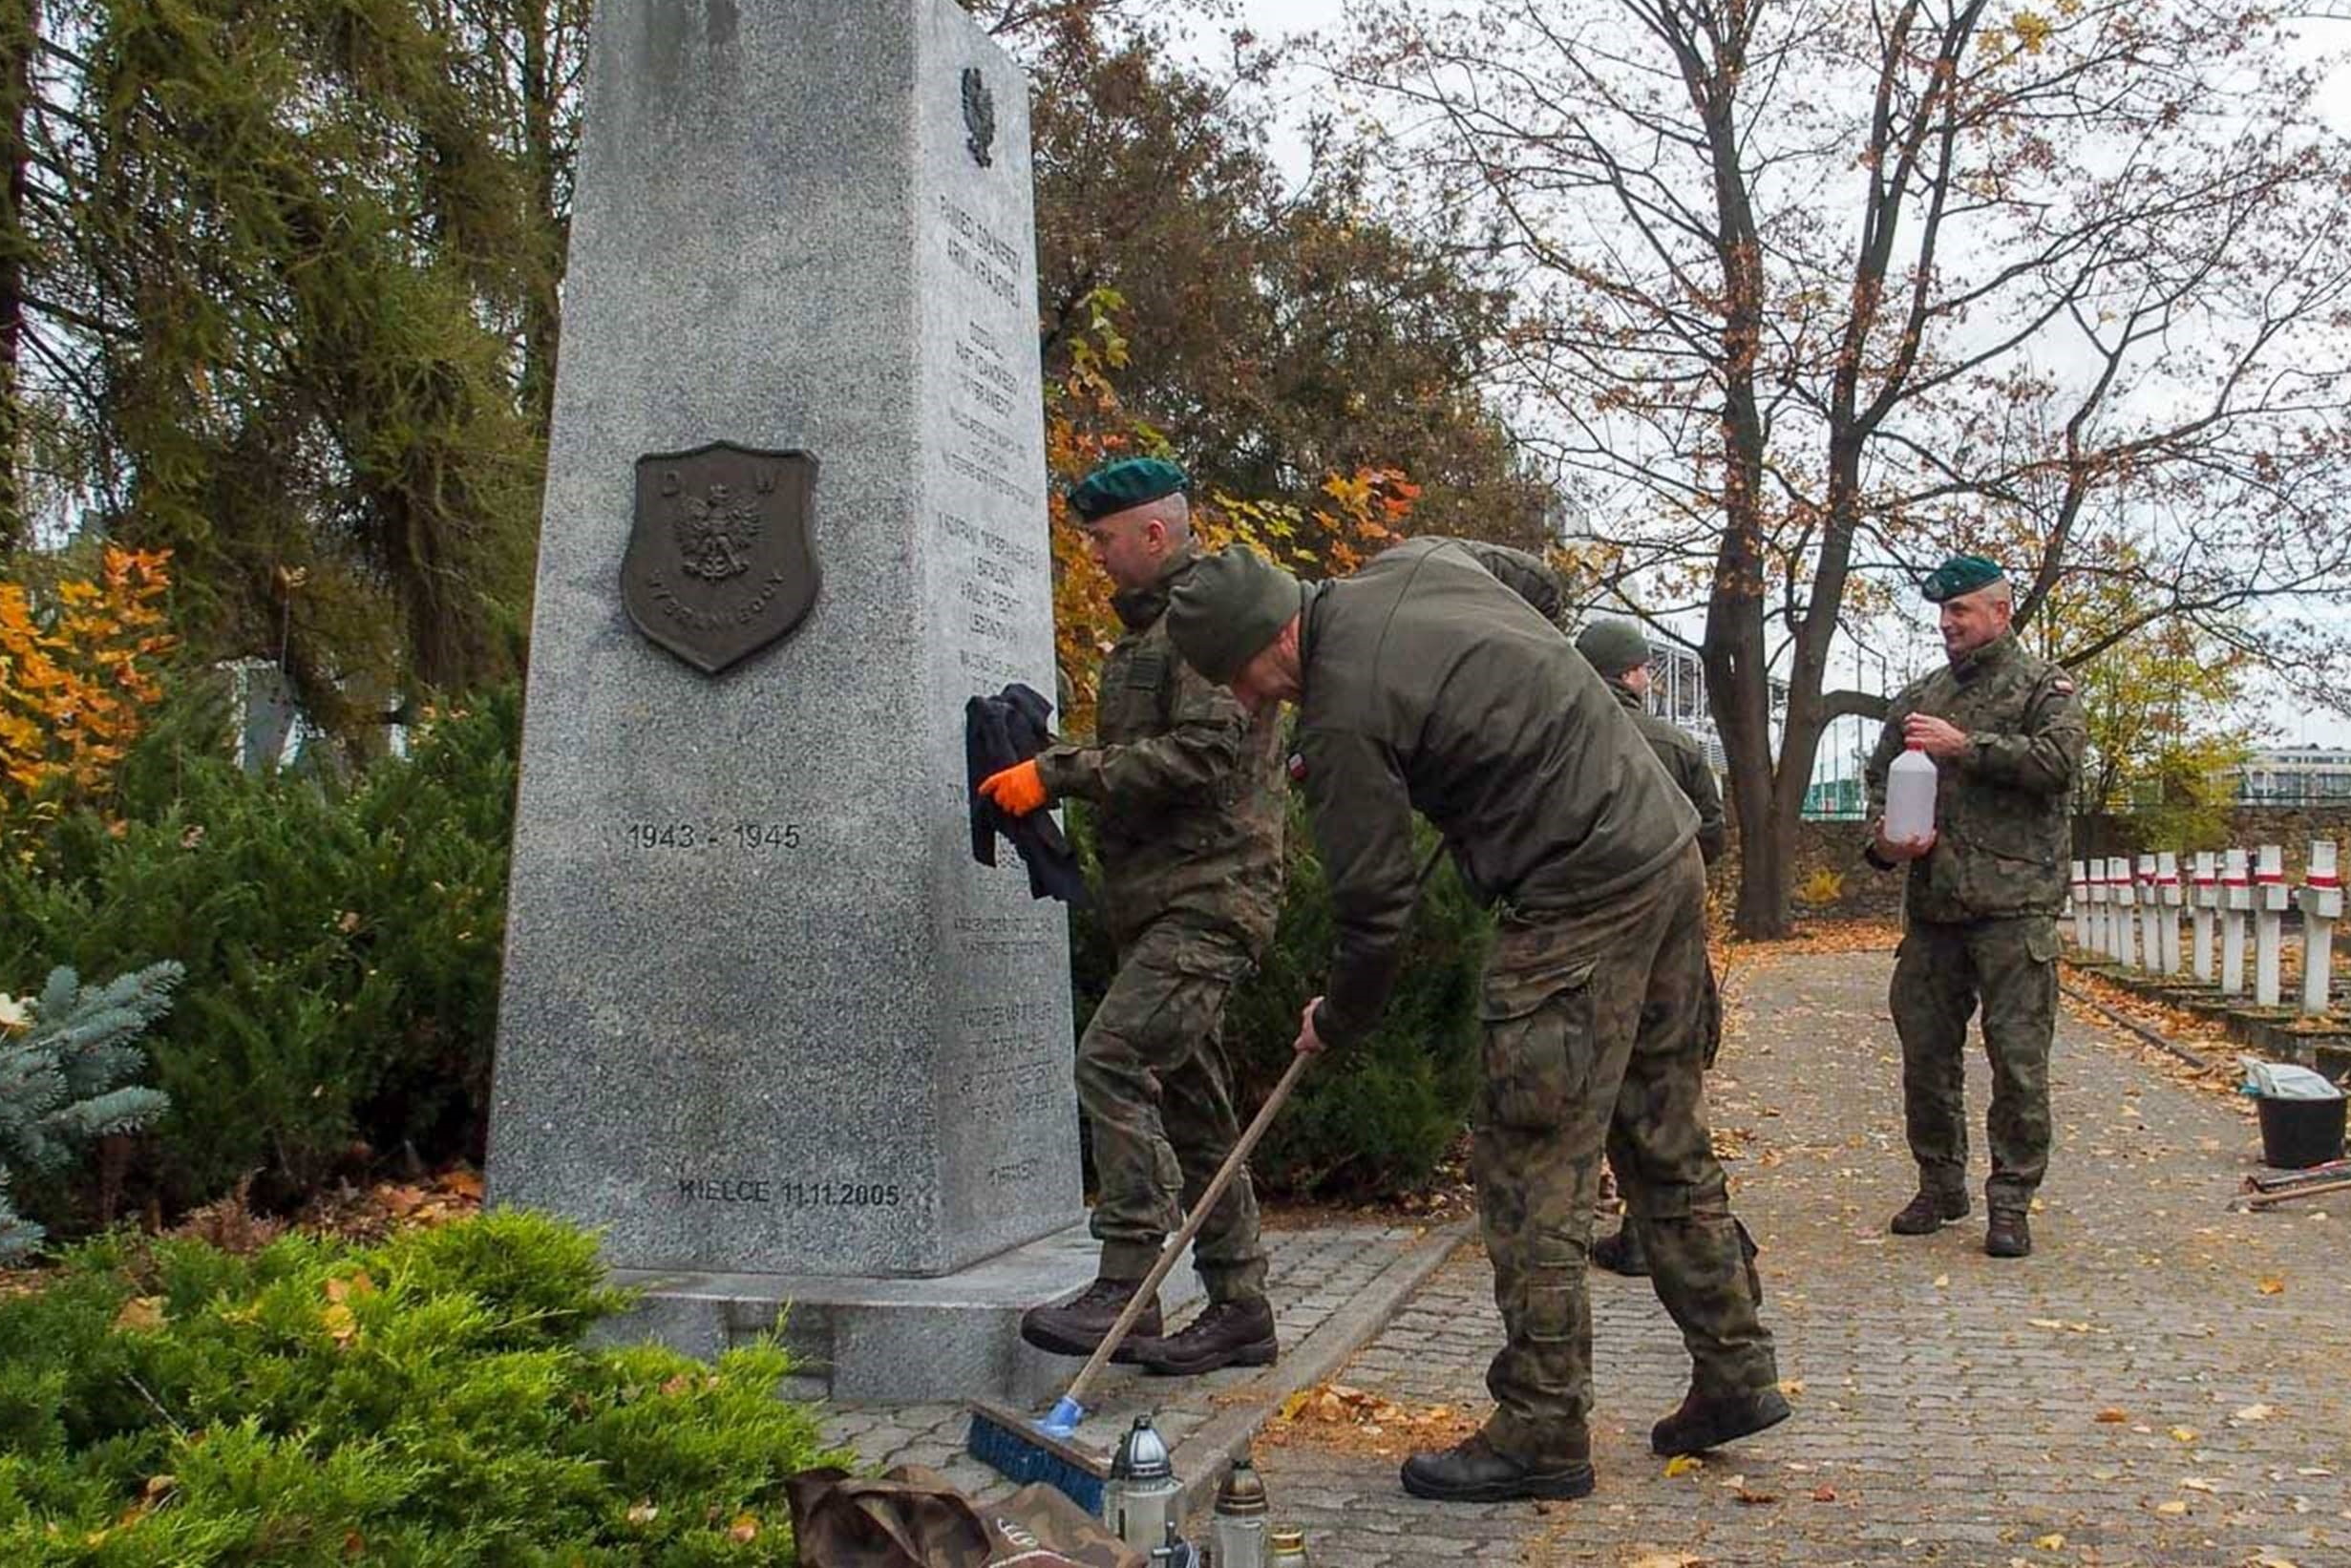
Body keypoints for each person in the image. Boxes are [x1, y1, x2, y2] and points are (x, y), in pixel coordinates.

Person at [1164, 539, 1784, 1504]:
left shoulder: (1342, 715)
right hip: (1662, 852)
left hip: (1577, 896)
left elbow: (1373, 911)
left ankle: (1541, 1426)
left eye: (1241, 678)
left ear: (1271, 635)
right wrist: (1493, 710)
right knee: (1660, 1132)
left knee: (1531, 1164)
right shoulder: (1418, 560)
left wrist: (1339, 1017)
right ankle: (1735, 1367)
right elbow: (1535, 584)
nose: (1249, 702)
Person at [977, 456, 1288, 1375]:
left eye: (1105, 539)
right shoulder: (1152, 631)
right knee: (1195, 1108)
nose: (1096, 556)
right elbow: (1151, 756)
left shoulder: (1203, 625)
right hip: (1165, 902)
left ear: (1155, 534)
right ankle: (1241, 1308)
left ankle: (1127, 1285)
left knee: (1112, 1062)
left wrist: (1060, 774)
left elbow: (1201, 757)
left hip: (1209, 901)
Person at [1861, 554, 2086, 1260]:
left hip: (2015, 909)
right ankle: (1940, 1183)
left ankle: (2011, 1200)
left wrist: (1967, 747)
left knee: (2018, 1063)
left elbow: (2058, 765)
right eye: (1943, 612)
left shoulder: (2043, 687)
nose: (1947, 623)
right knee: (1926, 1058)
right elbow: (1879, 782)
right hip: (1935, 911)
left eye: (1960, 610)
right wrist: (1885, 843)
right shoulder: (1920, 697)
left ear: (1999, 611)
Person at [1573, 620, 1727, 1279]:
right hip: (1668, 941)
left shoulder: (1561, 736)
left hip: (1578, 938)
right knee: (1666, 1084)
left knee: (1580, 1081)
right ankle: (1657, 1233)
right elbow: (1712, 835)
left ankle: (1562, 1227)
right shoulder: (1677, 745)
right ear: (1635, 674)